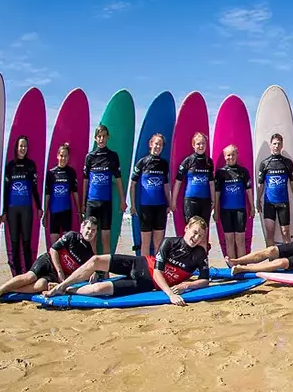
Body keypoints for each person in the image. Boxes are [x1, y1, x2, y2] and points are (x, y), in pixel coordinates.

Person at [46, 216, 212, 307]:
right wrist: (170, 294)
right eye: (195, 232)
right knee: (96, 260)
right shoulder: (169, 242)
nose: (196, 238)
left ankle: (68, 291)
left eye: (200, 236)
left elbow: (205, 280)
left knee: (99, 288)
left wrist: (186, 285)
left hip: (146, 283)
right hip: (139, 264)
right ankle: (60, 286)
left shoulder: (199, 254)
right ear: (186, 228)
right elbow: (157, 271)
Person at [0, 217, 99, 307]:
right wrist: (60, 271)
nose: (90, 232)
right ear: (82, 227)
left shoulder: (89, 254)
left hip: (55, 275)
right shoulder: (72, 236)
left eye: (93, 230)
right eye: (88, 228)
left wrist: (93, 273)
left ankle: (9, 290)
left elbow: (82, 272)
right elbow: (53, 250)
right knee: (29, 278)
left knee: (41, 285)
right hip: (48, 261)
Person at [82, 124, 127, 253]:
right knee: (91, 238)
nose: (101, 139)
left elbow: (118, 179)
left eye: (103, 136)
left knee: (105, 238)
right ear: (95, 138)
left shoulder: (112, 156)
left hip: (106, 203)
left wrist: (123, 200)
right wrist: (82, 203)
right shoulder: (90, 157)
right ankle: (93, 271)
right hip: (91, 202)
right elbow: (85, 181)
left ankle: (105, 272)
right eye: (99, 136)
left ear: (107, 137)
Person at [3, 135, 42, 274]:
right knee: (14, 243)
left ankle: (29, 273)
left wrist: (39, 207)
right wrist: (4, 211)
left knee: (26, 242)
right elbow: (6, 190)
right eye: (21, 146)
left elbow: (34, 188)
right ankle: (17, 275)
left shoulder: (31, 165)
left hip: (26, 209)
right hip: (12, 209)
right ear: (16, 147)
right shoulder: (10, 166)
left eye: (25, 146)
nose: (23, 148)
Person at [130, 133, 172, 256]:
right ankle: (145, 269)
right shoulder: (142, 162)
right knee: (145, 242)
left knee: (158, 242)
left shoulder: (164, 164)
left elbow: (166, 185)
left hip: (160, 207)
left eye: (161, 145)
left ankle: (156, 270)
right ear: (151, 144)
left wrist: (169, 203)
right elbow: (133, 185)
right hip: (146, 208)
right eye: (156, 144)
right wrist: (132, 205)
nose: (158, 147)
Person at [173, 132, 215, 251]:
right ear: (193, 145)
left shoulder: (209, 162)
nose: (201, 146)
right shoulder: (188, 161)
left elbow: (211, 183)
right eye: (198, 144)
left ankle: (202, 260)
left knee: (203, 230)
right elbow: (178, 182)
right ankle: (188, 258)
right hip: (190, 200)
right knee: (191, 230)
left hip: (205, 201)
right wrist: (173, 202)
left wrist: (213, 201)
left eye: (203, 143)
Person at [256, 133, 293, 245]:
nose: (276, 146)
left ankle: (287, 259)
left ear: (282, 146)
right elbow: (260, 184)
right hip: (269, 203)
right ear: (271, 145)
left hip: (283, 203)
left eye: (279, 144)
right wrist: (258, 200)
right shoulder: (265, 164)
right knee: (269, 233)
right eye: (274, 143)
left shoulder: (287, 163)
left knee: (285, 232)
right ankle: (272, 260)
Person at [214, 144, 254, 260]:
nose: (230, 157)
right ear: (224, 156)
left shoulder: (243, 172)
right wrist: (216, 211)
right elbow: (217, 193)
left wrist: (252, 207)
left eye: (233, 154)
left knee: (240, 240)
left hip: (240, 210)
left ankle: (241, 265)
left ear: (237, 155)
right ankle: (232, 265)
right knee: (229, 239)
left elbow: (249, 190)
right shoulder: (220, 173)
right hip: (225, 211)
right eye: (228, 155)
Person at [43, 142, 80, 245]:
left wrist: (79, 211)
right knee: (54, 246)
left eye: (66, 156)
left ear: (68, 157)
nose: (63, 158)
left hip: (66, 212)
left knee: (66, 245)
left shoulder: (71, 172)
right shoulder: (51, 173)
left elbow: (75, 193)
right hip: (54, 213)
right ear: (57, 156)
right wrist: (45, 214)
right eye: (61, 156)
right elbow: (47, 195)